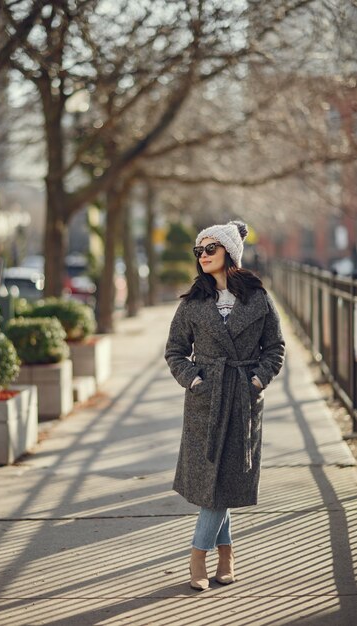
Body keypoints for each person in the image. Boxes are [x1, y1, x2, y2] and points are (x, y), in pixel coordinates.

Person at [164, 220, 285, 591]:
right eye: (198, 251)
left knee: (226, 479)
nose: (203, 256)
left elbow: (275, 348)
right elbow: (174, 351)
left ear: (230, 253)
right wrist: (194, 380)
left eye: (210, 249)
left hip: (243, 399)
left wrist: (258, 379)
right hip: (207, 401)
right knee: (214, 482)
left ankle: (206, 554)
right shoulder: (192, 304)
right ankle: (215, 555)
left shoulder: (259, 300)